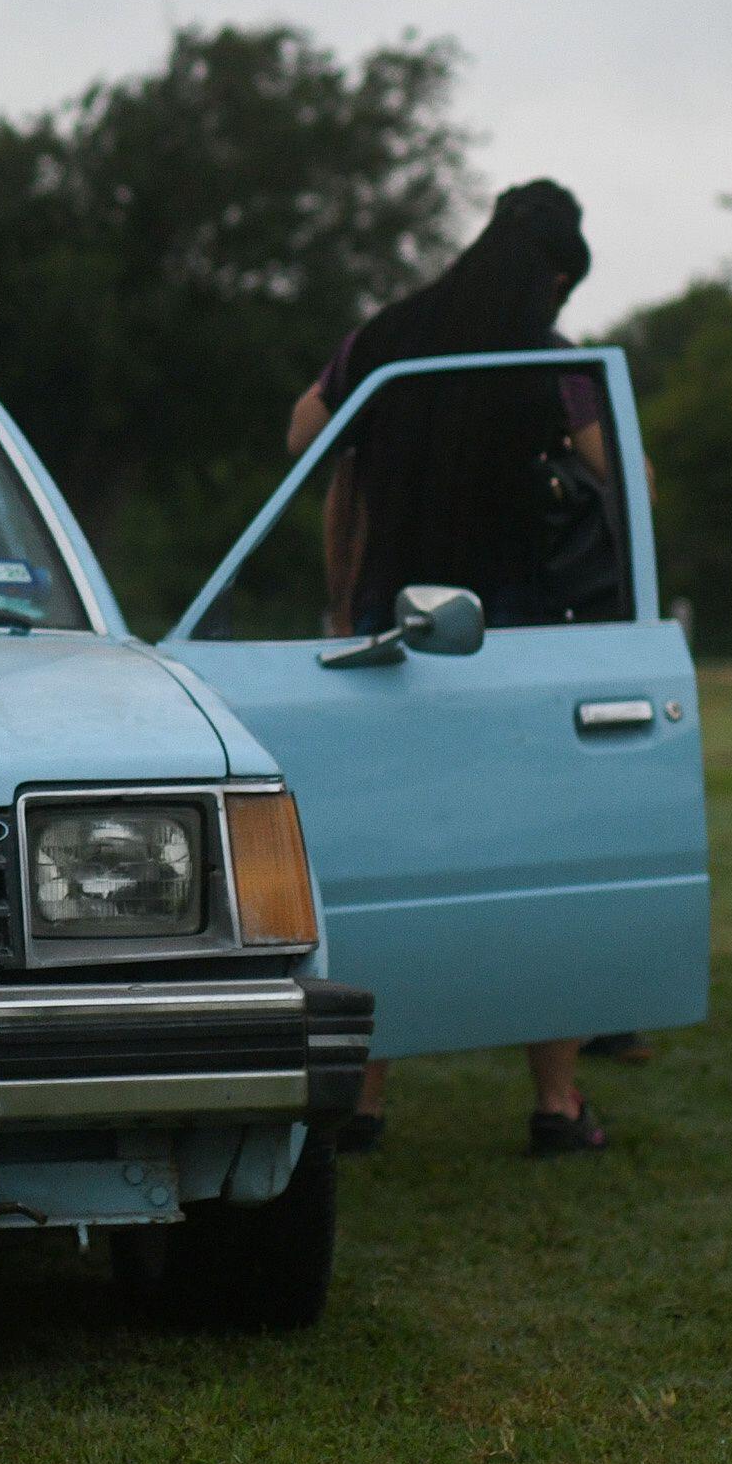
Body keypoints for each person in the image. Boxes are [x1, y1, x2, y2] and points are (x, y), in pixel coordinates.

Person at [283, 179, 642, 1156]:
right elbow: (618, 475)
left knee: (383, 859)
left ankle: (361, 1101)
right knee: (539, 863)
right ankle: (558, 1105)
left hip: (388, 630)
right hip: (518, 636)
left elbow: (306, 434)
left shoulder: (385, 338)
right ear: (557, 275)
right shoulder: (549, 360)